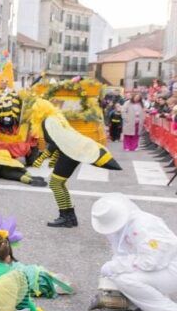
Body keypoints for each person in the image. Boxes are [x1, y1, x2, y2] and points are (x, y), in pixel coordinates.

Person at [30, 98, 121, 228]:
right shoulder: (55, 118)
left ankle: (65, 217)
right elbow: (61, 141)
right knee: (60, 184)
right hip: (72, 152)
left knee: (55, 184)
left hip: (70, 153)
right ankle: (70, 217)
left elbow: (55, 142)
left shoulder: (48, 121)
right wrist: (53, 159)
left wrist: (42, 157)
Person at [90, 194, 177, 311]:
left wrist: (115, 267)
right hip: (165, 267)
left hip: (171, 269)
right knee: (118, 275)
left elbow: (150, 262)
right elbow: (125, 253)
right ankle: (149, 300)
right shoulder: (127, 225)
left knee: (124, 279)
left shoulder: (143, 226)